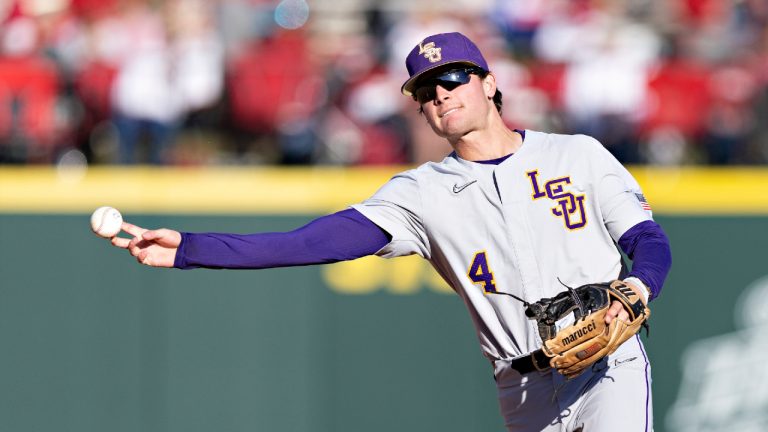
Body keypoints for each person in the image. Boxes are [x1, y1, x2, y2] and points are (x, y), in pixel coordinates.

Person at [110, 32, 672, 431]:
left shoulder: (576, 154)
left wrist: (638, 287)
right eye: (425, 92)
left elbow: (647, 240)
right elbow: (309, 244)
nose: (441, 95)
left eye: (452, 78)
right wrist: (190, 249)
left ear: (490, 83)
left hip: (608, 365)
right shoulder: (420, 194)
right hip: (521, 388)